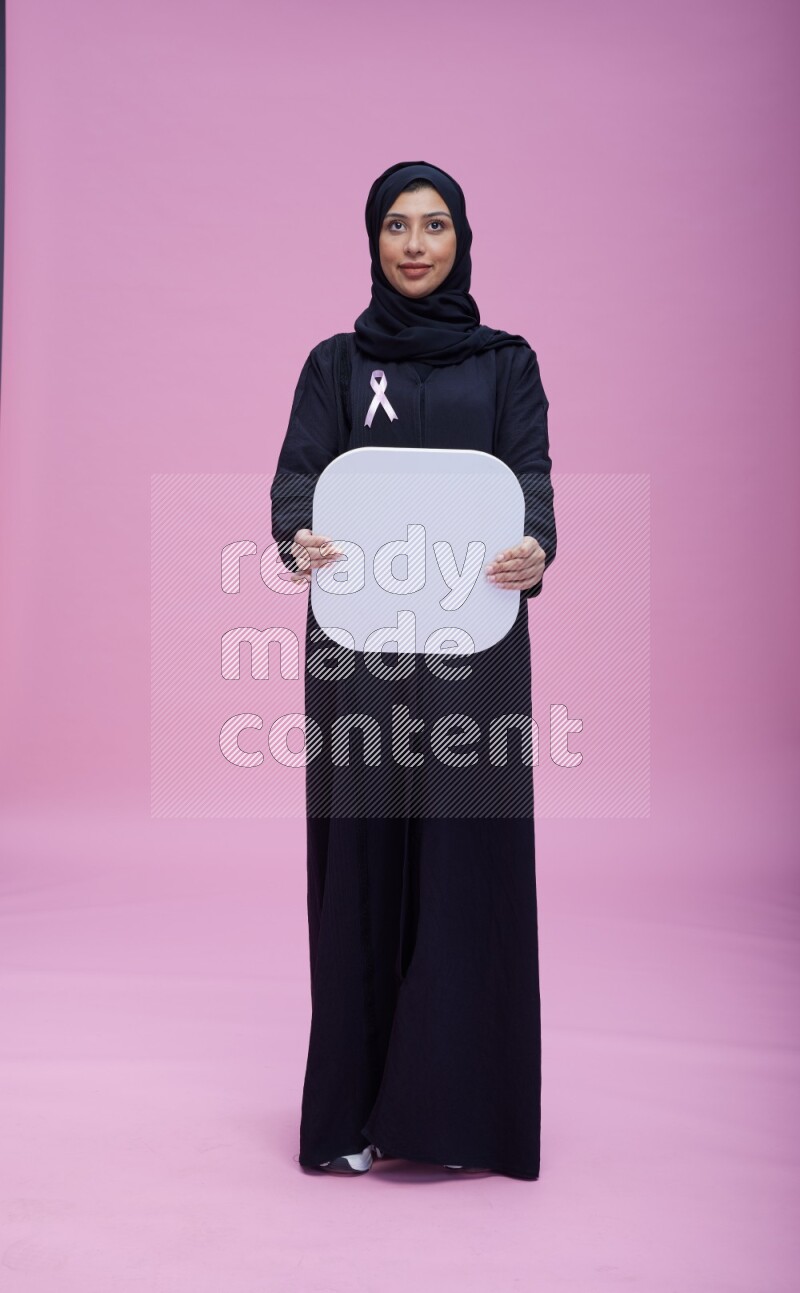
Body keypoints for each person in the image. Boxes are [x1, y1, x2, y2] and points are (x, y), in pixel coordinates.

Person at [270, 160, 557, 1180]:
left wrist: (533, 545)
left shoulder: (506, 363)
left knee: (463, 861)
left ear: (461, 238)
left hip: (472, 656)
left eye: (434, 225)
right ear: (372, 241)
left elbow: (528, 475)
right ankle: (350, 1114)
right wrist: (296, 533)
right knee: (363, 860)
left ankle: (455, 1118)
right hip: (359, 655)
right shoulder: (336, 366)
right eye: (396, 225)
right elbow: (301, 476)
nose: (415, 244)